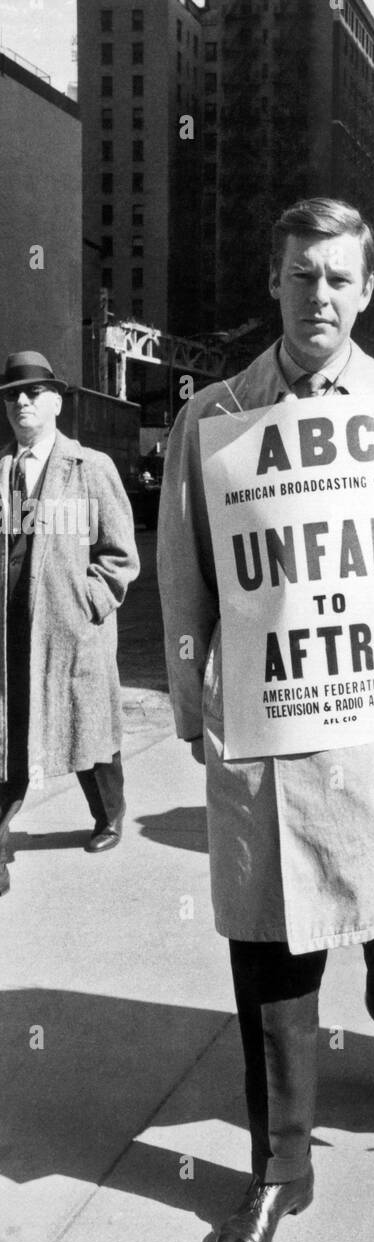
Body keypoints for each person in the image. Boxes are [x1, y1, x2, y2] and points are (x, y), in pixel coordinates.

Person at [157, 197, 374, 1242]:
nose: (319, 298)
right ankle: (277, 1166)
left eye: (339, 278)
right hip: (267, 733)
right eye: (301, 276)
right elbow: (183, 573)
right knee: (269, 947)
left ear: (369, 289)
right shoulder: (217, 418)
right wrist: (188, 692)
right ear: (273, 281)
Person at [0, 351, 139, 896]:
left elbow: (121, 554)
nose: (23, 402)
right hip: (10, 632)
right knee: (9, 736)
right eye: (13, 394)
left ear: (56, 402)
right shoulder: (0, 470)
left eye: (35, 392)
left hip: (71, 629)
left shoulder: (90, 468)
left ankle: (110, 814)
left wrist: (90, 601)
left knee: (88, 733)